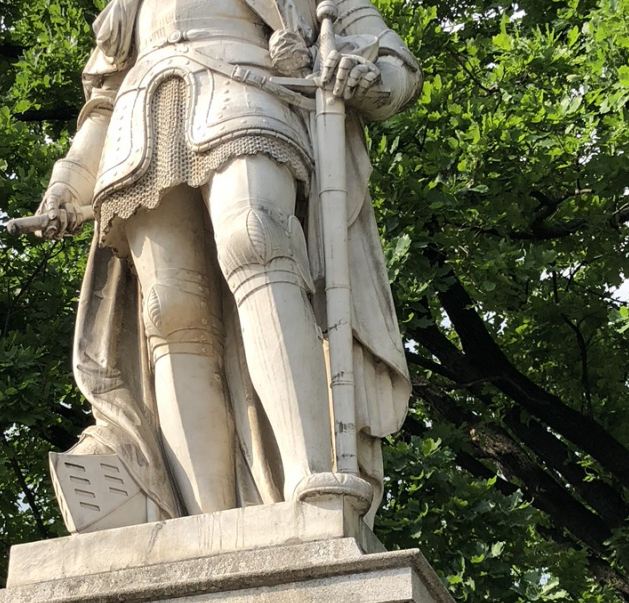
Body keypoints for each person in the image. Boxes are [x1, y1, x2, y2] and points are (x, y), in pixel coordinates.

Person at [33, 0, 419, 530]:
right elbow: (103, 101)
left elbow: (393, 61)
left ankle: (312, 482)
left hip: (249, 91)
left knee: (256, 238)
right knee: (171, 314)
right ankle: (207, 524)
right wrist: (65, 184)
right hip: (142, 120)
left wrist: (368, 75)